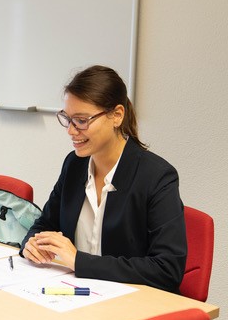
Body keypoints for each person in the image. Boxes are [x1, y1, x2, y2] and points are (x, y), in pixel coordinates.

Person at [21, 65, 186, 293]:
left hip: (131, 302)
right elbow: (44, 225)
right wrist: (31, 244)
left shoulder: (156, 176)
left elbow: (167, 269)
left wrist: (79, 261)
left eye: (81, 120)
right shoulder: (74, 164)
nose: (71, 131)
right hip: (75, 293)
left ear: (116, 115)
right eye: (67, 119)